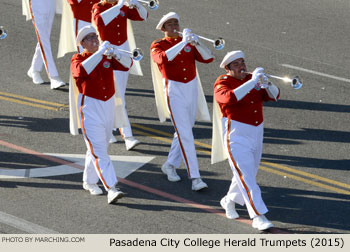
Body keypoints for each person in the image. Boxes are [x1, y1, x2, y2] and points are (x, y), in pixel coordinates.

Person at [212, 50, 280, 230]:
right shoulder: (222, 82)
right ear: (228, 68)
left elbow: (274, 96)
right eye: (236, 64)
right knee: (247, 177)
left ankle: (228, 200)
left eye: (242, 62)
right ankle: (258, 215)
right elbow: (229, 98)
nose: (242, 66)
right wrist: (252, 82)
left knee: (247, 173)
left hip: (257, 132)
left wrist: (267, 83)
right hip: (236, 135)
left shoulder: (252, 79)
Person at [150, 12, 214, 191]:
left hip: (192, 88)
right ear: (163, 29)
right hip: (174, 90)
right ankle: (195, 178)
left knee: (184, 129)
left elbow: (208, 58)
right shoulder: (158, 44)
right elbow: (162, 58)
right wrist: (184, 43)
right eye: (170, 24)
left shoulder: (187, 42)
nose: (174, 27)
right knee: (186, 134)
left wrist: (197, 43)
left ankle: (170, 164)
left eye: (176, 23)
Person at [70, 25, 133, 204]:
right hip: (90, 108)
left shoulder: (105, 55)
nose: (95, 40)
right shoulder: (77, 58)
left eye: (95, 36)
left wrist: (116, 53)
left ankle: (89, 181)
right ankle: (111, 188)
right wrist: (100, 53)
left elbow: (128, 65)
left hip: (108, 107)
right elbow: (81, 71)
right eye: (89, 38)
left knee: (99, 148)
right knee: (99, 150)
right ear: (82, 43)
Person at [92, 0, 148, 149]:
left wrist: (137, 4)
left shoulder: (123, 5)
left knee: (119, 94)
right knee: (114, 95)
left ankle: (108, 129)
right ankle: (127, 136)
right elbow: (100, 21)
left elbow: (144, 16)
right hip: (107, 52)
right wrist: (118, 6)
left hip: (123, 50)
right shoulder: (98, 7)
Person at [23, 0, 66, 89]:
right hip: (36, 4)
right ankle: (53, 76)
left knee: (45, 38)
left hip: (50, 3)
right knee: (44, 40)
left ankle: (34, 69)